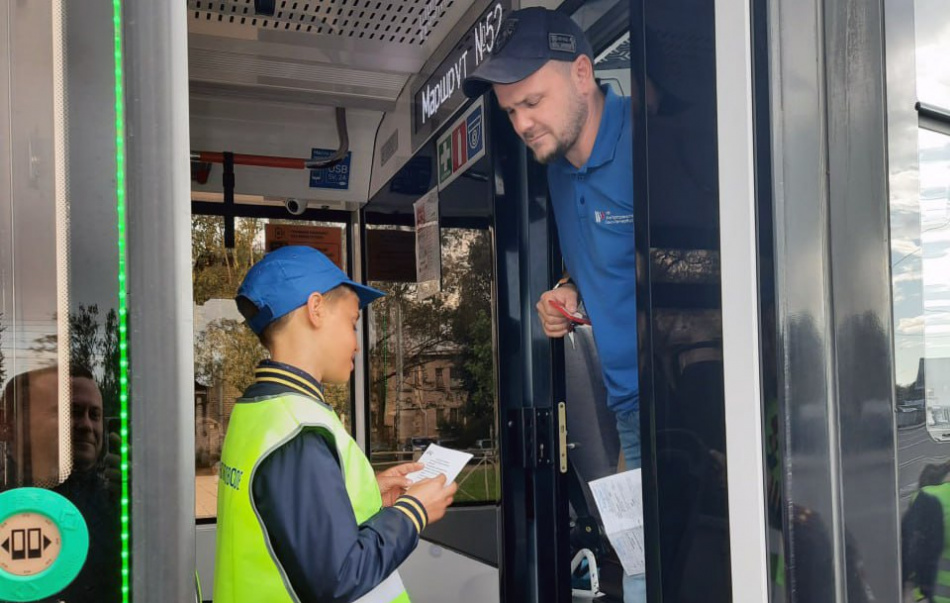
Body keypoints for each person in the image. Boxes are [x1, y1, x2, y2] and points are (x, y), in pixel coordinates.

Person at [463, 8, 644, 601]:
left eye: (533, 102)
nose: (522, 123)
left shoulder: (650, 147)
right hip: (627, 411)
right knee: (641, 575)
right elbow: (606, 265)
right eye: (511, 110)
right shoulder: (559, 171)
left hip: (683, 407)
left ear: (583, 74)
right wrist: (569, 290)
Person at [213, 245, 457, 603]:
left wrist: (366, 493)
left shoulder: (257, 410)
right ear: (316, 309)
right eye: (352, 322)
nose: (357, 345)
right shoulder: (298, 430)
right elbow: (339, 578)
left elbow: (289, 516)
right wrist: (412, 512)